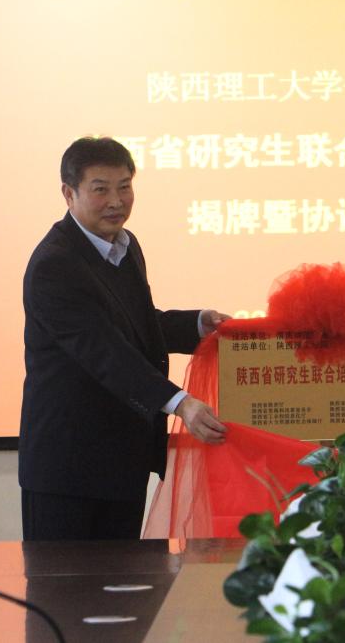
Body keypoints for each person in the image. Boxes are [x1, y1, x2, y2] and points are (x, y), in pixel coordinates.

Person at [19, 136, 228, 540]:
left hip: (121, 462)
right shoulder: (55, 264)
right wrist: (180, 403)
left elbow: (133, 325)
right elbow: (104, 351)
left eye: (125, 187)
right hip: (67, 469)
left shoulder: (125, 246)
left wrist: (199, 325)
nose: (116, 201)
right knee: (64, 581)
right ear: (69, 193)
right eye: (101, 189)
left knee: (126, 579)